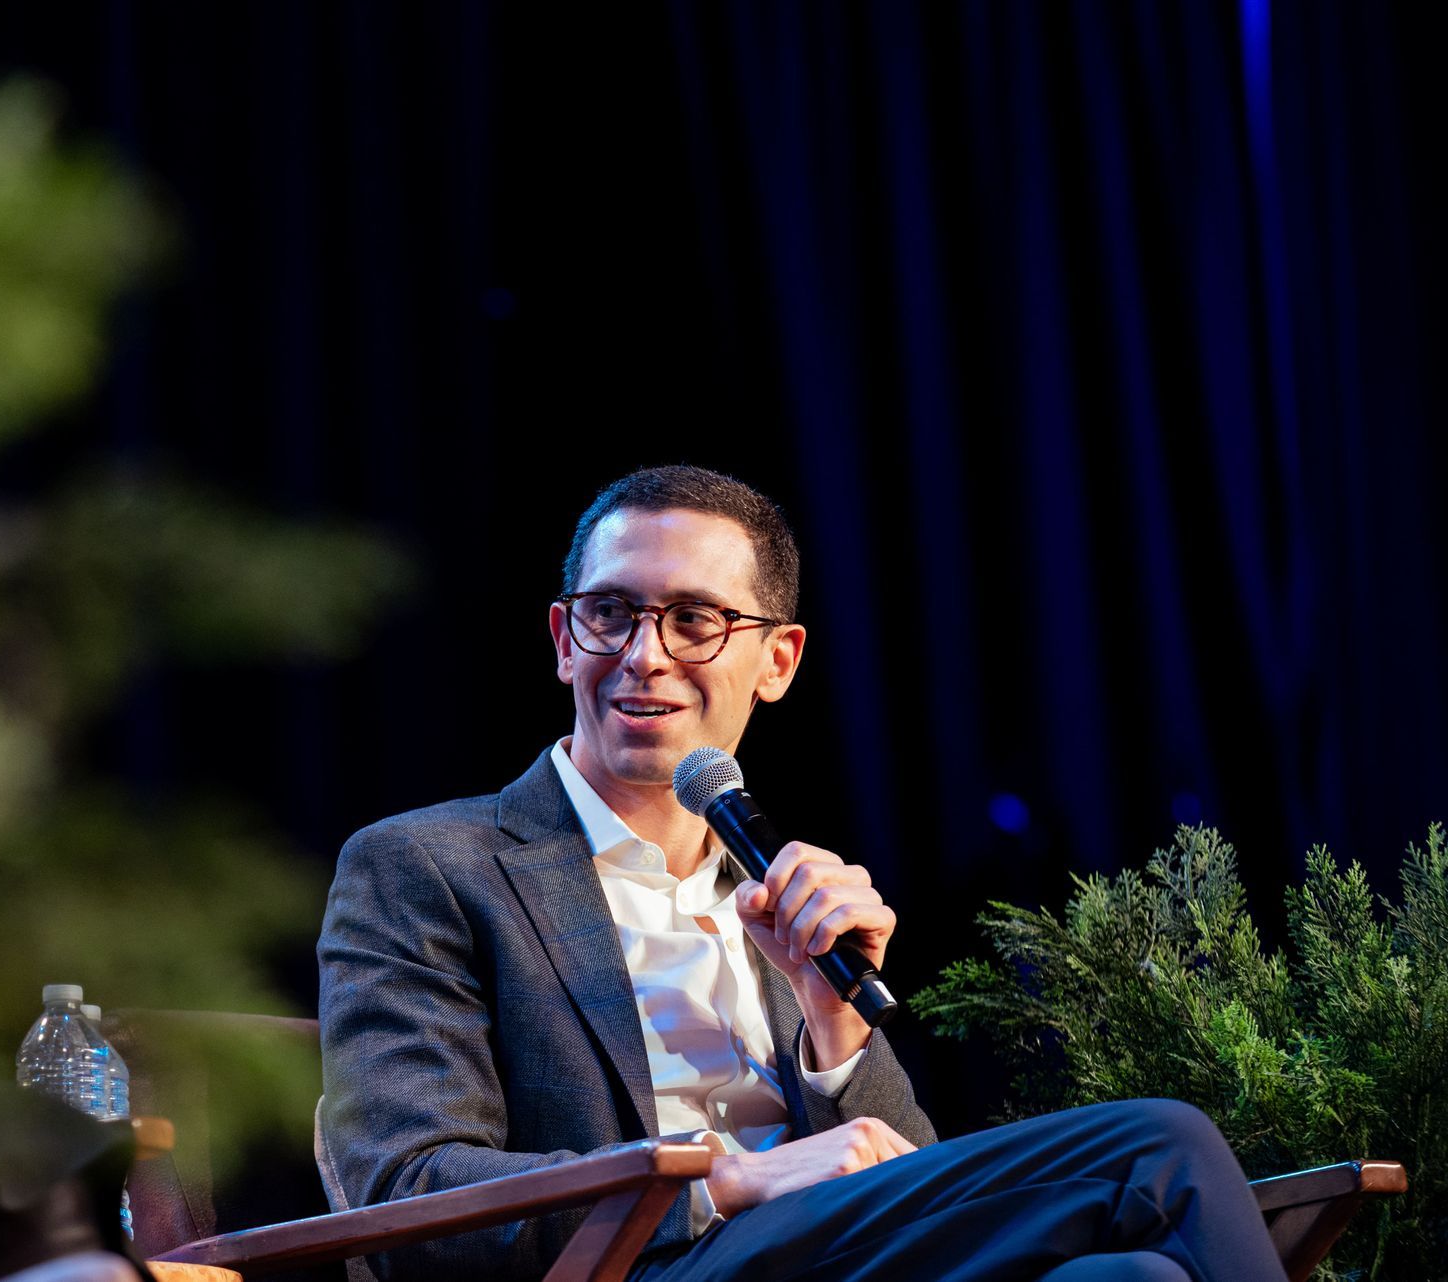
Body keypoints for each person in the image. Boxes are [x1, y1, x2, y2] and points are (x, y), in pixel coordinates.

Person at [317, 466, 1285, 1282]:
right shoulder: (430, 866)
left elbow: (898, 1169)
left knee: (1133, 1276)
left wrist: (834, 1027)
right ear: (567, 640)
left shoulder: (781, 890)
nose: (645, 655)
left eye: (694, 619)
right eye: (612, 612)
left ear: (777, 659)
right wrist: (726, 1178)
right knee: (1160, 1144)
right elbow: (409, 1194)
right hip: (651, 1266)